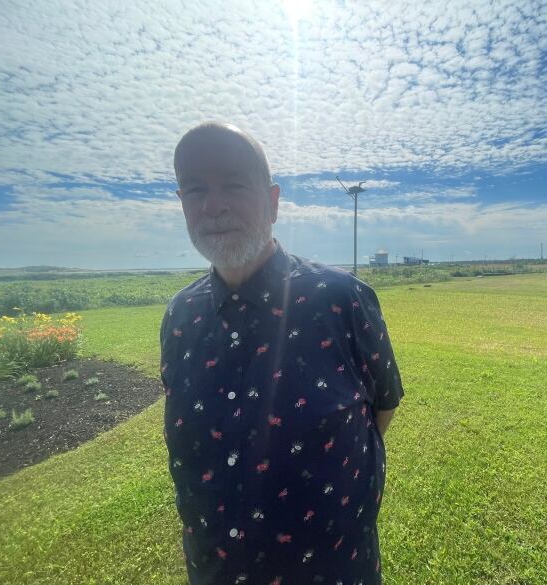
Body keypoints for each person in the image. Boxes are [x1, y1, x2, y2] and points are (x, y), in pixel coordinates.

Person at [160, 121, 405, 585]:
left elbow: (382, 406)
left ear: (273, 202)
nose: (213, 206)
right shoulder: (179, 316)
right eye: (195, 190)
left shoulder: (343, 300)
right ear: (182, 204)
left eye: (233, 184)